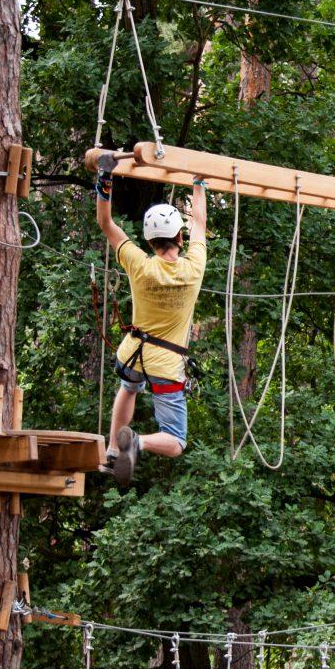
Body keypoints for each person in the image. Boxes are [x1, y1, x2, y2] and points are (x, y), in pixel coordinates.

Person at [95, 161, 208, 486]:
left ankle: (113, 449)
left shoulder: (138, 264)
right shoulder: (193, 267)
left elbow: (105, 222)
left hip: (133, 352)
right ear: (179, 237)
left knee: (129, 387)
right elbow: (199, 221)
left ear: (148, 241)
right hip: (166, 363)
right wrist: (198, 181)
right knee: (176, 441)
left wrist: (105, 179)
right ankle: (137, 442)